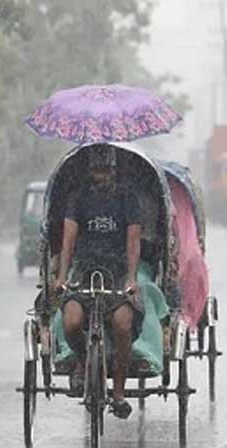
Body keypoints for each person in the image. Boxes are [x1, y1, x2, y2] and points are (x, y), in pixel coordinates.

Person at [54, 144, 143, 420]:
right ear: (89, 171)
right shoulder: (78, 197)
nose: (100, 176)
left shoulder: (128, 197)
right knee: (71, 321)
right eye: (96, 171)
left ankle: (117, 391)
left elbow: (133, 240)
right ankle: (83, 363)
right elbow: (68, 240)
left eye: (105, 171)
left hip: (116, 272)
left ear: (114, 171)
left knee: (122, 324)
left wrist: (131, 278)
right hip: (84, 270)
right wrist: (61, 277)